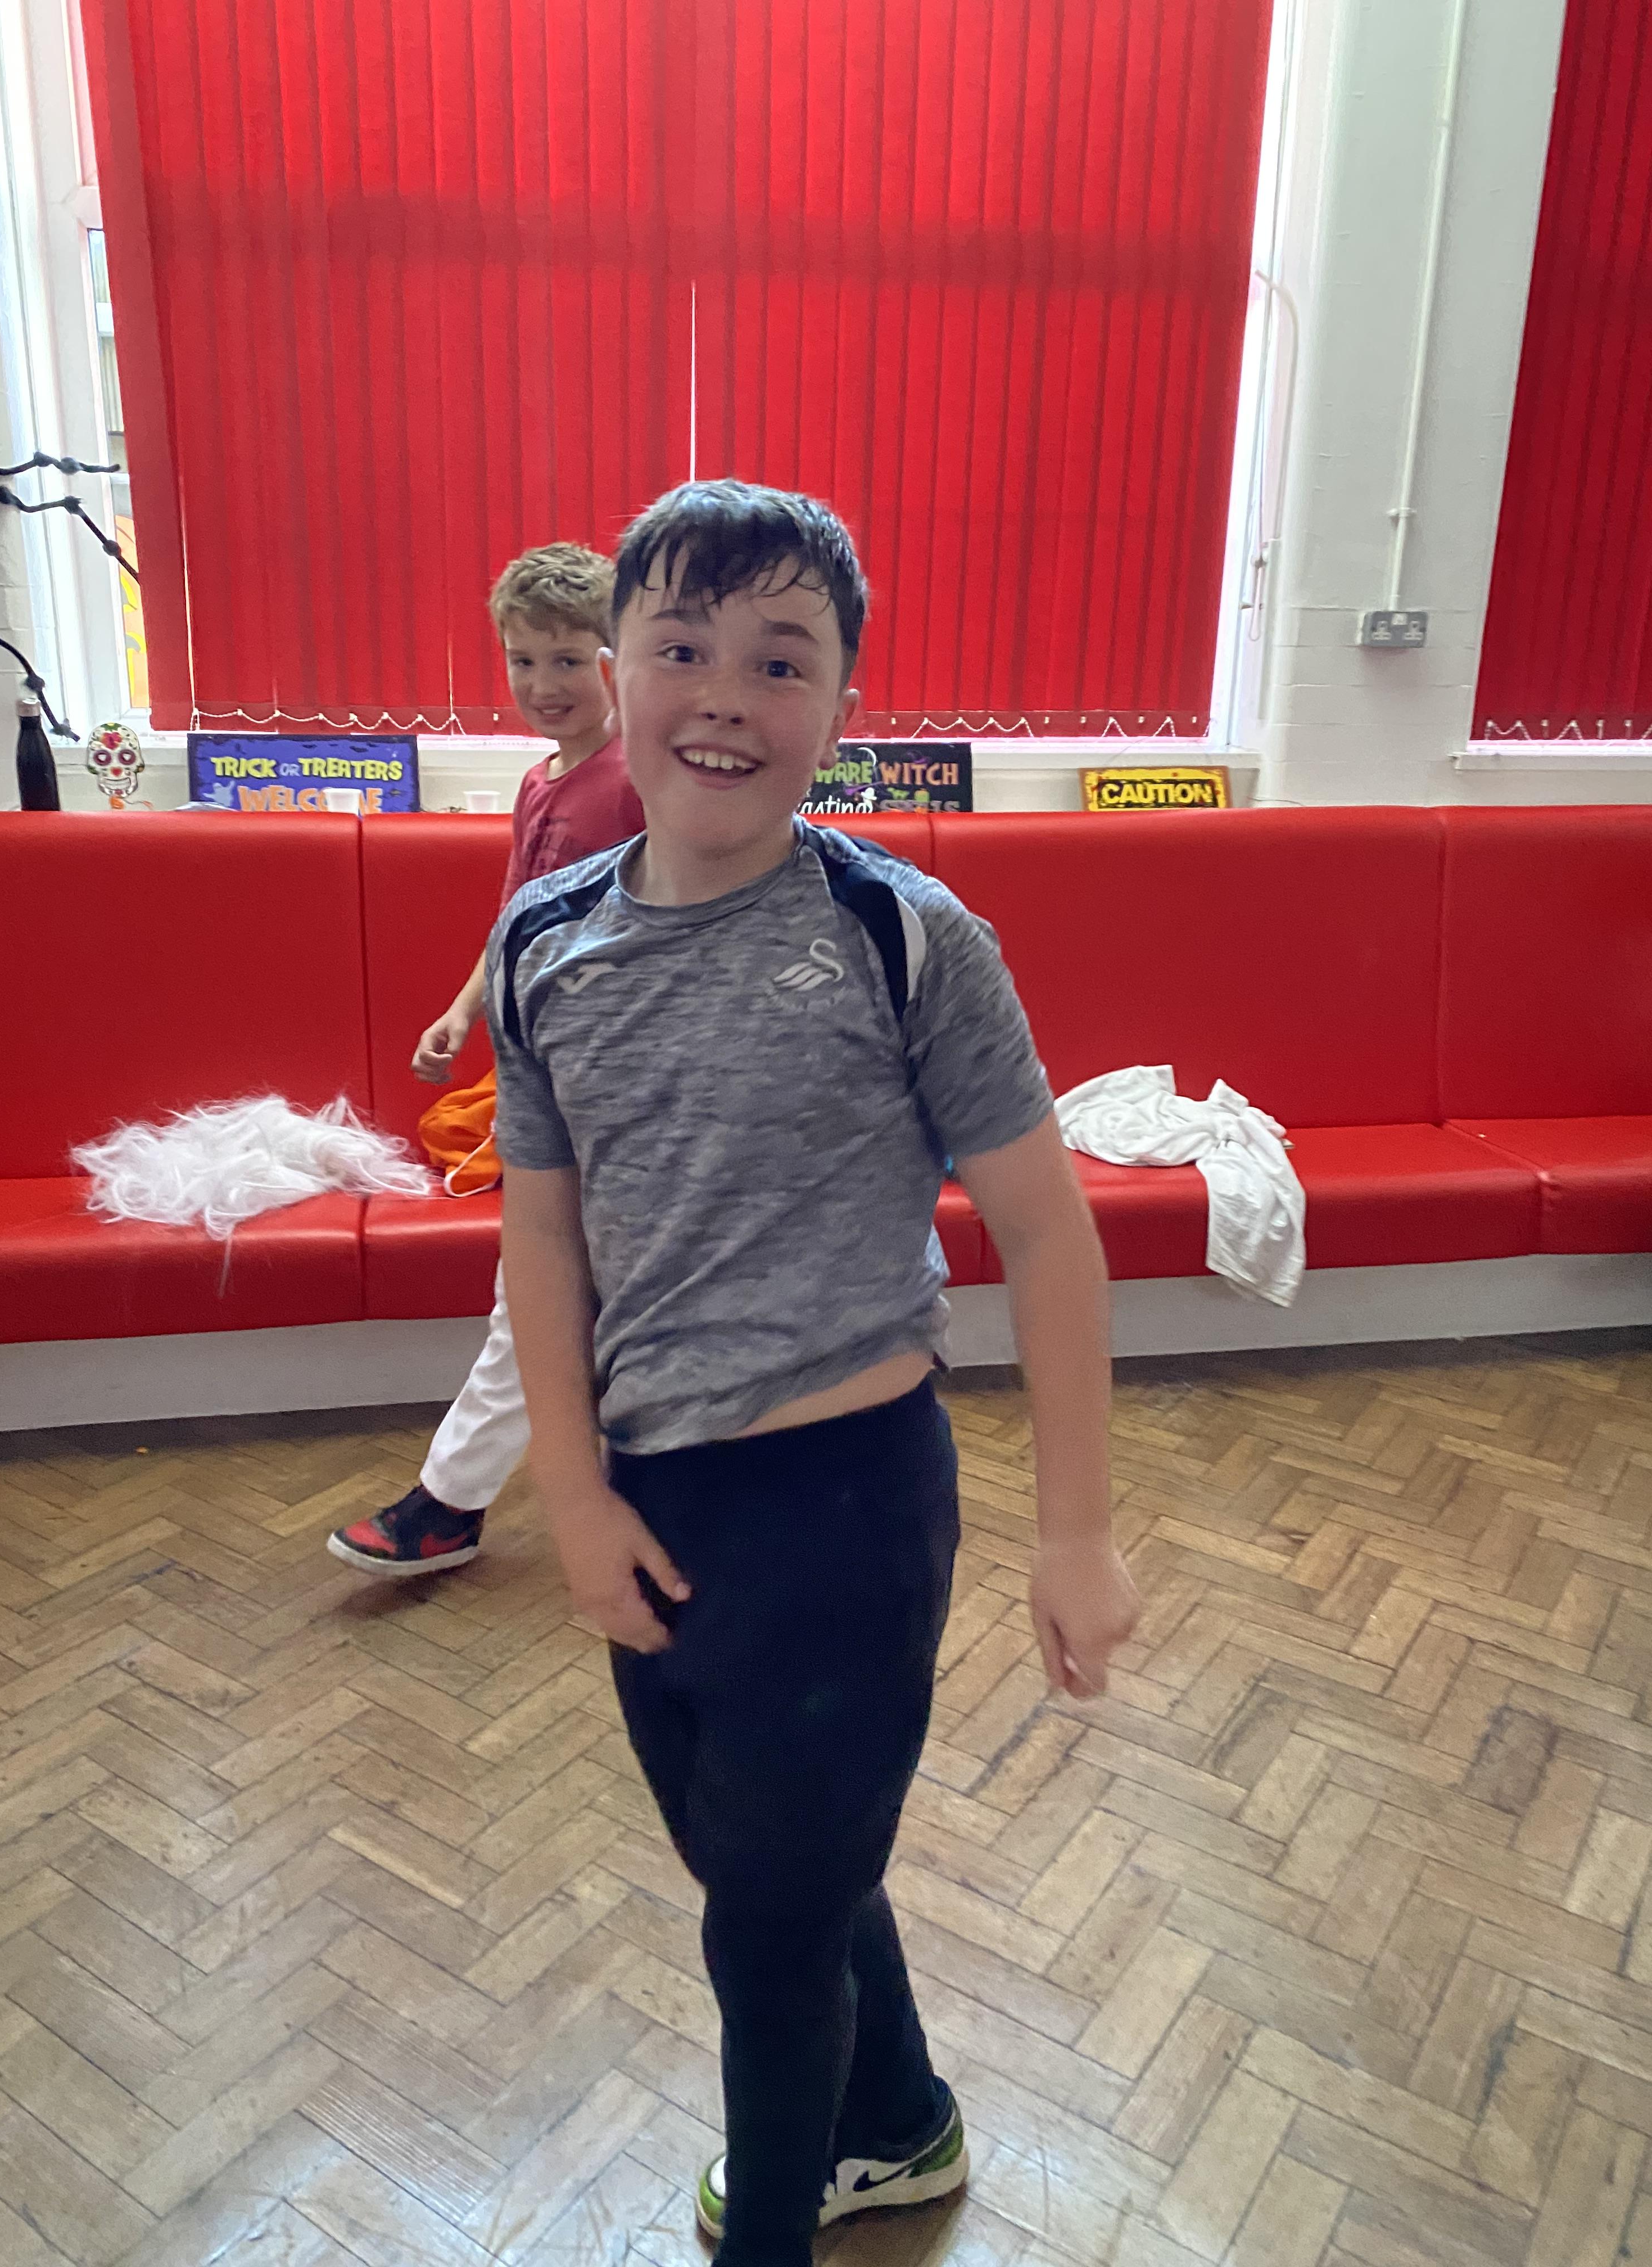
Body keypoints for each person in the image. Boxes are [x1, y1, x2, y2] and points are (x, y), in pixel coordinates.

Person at [488, 478, 1141, 2265]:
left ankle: (776, 2230)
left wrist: (1076, 1532)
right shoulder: (545, 942)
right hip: (652, 1498)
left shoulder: (904, 934)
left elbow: (1049, 1235)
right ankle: (903, 2124)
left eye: (781, 661)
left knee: (764, 1939)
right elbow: (541, 1241)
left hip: (847, 1515)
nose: (725, 697)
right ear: (612, 672)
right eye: (682, 647)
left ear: (845, 704)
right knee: (771, 1865)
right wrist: (572, 1493)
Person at [328, 543, 643, 1576]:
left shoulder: (642, 779)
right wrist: (462, 1013)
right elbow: (519, 918)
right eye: (523, 661)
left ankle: (449, 1504)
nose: (544, 685)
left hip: (615, 1087)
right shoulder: (539, 782)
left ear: (616, 658)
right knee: (559, 1296)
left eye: (569, 660)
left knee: (540, 1298)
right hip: (543, 1075)